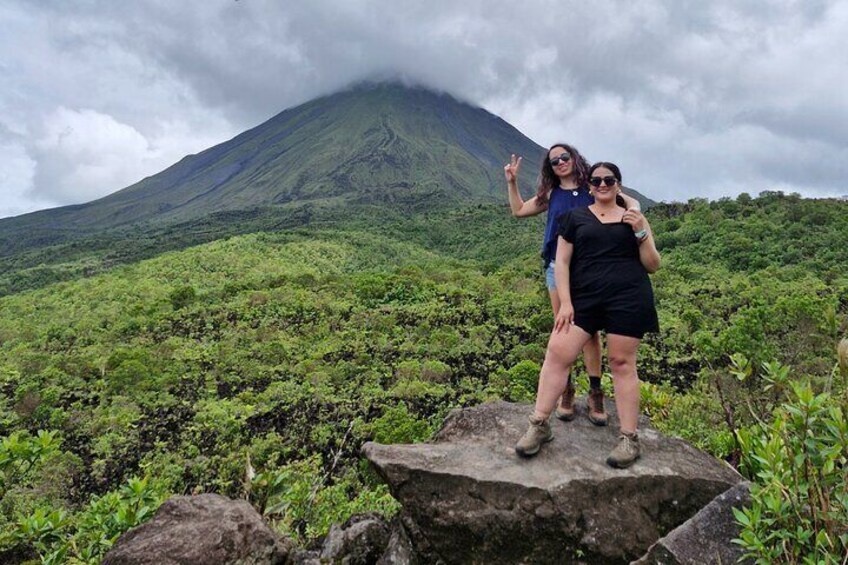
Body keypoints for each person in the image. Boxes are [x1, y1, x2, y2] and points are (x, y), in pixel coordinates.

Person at [513, 162, 660, 468]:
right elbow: (562, 263)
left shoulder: (634, 217)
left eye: (609, 179)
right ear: (590, 185)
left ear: (618, 183)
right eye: (597, 180)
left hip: (628, 296)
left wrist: (640, 230)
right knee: (557, 352)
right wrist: (565, 303)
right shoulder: (573, 218)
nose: (603, 184)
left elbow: (652, 264)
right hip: (584, 297)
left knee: (622, 362)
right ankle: (539, 424)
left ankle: (629, 438)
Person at [504, 145, 641, 426]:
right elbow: (518, 211)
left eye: (565, 157)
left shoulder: (594, 186)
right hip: (558, 267)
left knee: (589, 331)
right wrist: (512, 182)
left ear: (575, 158)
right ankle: (565, 389)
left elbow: (630, 203)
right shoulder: (551, 194)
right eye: (554, 161)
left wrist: (636, 217)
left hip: (590, 268)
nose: (561, 163)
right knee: (563, 326)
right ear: (550, 167)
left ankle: (595, 390)